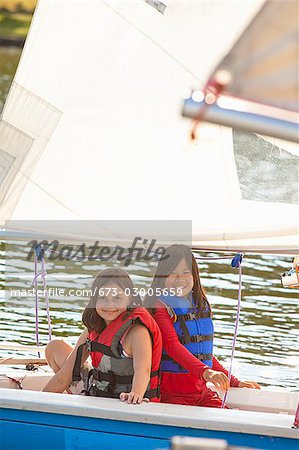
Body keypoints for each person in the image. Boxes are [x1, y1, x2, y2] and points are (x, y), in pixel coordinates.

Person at [145, 245, 260, 408]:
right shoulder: (160, 307)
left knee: (228, 419)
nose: (180, 279)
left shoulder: (198, 305)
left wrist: (234, 381)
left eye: (186, 273)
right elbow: (172, 346)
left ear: (194, 276)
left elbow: (201, 354)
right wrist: (206, 372)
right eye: (173, 273)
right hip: (170, 396)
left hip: (200, 393)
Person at [43, 268, 162, 404]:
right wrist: (37, 403)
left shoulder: (137, 332)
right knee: (55, 347)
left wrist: (136, 394)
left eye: (117, 298)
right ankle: (79, 399)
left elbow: (143, 371)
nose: (109, 305)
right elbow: (65, 374)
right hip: (98, 391)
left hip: (126, 399)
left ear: (129, 299)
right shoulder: (92, 328)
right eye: (103, 298)